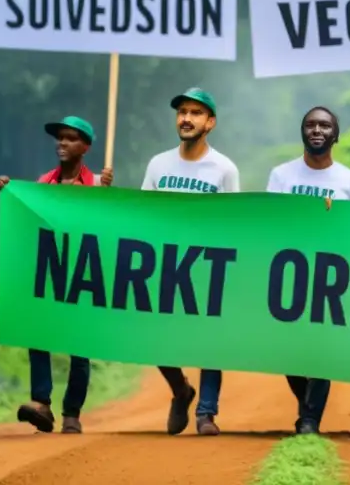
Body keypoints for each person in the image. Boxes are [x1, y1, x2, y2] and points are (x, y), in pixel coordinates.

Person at [0, 115, 113, 435]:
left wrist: (107, 194)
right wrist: (9, 193)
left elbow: (110, 228)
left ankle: (72, 412)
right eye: (60, 137)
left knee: (79, 345)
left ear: (85, 147)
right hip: (50, 270)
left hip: (84, 271)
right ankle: (42, 404)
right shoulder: (43, 182)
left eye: (71, 138)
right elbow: (29, 217)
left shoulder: (97, 184)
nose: (62, 143)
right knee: (38, 335)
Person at [140, 87, 240, 437]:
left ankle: (206, 414)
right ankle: (181, 389)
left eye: (196, 113)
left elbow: (233, 221)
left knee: (210, 342)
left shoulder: (225, 169)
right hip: (163, 265)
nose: (186, 118)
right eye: (182, 111)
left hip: (207, 267)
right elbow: (141, 214)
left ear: (210, 122)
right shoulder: (158, 164)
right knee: (153, 338)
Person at [266, 106, 350, 435]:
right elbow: (269, 221)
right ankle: (306, 401)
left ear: (335, 135)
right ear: (302, 132)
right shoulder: (281, 175)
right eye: (310, 124)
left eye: (325, 125)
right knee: (285, 349)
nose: (317, 130)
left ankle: (309, 419)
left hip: (331, 277)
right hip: (288, 273)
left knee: (323, 348)